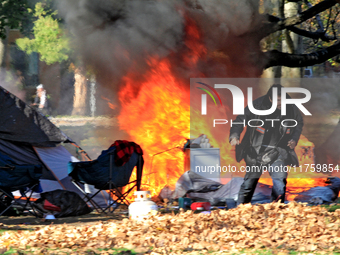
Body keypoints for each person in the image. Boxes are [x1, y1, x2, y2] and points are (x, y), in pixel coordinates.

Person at [229, 84, 303, 204]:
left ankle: (276, 210)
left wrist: (294, 139)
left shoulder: (291, 107)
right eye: (278, 101)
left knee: (280, 183)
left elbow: (298, 123)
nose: (281, 103)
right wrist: (234, 135)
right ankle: (241, 209)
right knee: (249, 184)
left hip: (278, 151)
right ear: (270, 98)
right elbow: (240, 120)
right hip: (255, 150)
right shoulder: (256, 105)